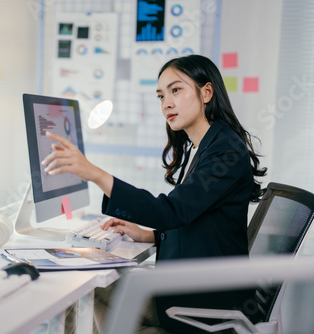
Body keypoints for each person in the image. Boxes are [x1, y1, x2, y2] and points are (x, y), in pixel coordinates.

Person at [41, 54, 267, 333]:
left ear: (206, 92)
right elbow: (197, 221)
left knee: (82, 289)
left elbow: (172, 211)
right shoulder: (205, 146)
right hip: (193, 292)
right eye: (161, 96)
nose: (166, 103)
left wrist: (95, 174)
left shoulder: (226, 150)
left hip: (206, 308)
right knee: (90, 290)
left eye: (176, 90)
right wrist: (148, 235)